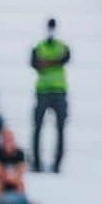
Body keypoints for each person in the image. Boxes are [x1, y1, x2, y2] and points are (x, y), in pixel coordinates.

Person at [30, 18, 70, 173]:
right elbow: (35, 63)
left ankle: (57, 165)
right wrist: (54, 62)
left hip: (59, 91)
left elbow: (64, 59)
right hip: (43, 91)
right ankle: (37, 163)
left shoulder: (61, 47)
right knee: (38, 127)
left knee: (60, 128)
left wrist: (46, 62)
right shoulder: (40, 47)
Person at [0, 126, 26, 204]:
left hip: (14, 178)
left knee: (21, 185)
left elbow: (22, 168)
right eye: (6, 138)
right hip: (0, 178)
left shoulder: (19, 153)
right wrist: (6, 176)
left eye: (10, 138)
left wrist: (14, 178)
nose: (8, 140)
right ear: (2, 139)